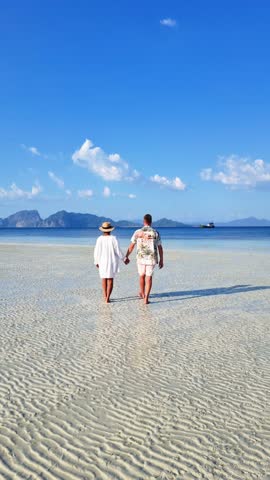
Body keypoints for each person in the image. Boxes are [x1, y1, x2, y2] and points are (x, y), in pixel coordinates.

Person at [124, 214, 164, 304]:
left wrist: (126, 256)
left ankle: (142, 293)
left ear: (144, 221)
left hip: (141, 258)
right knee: (148, 277)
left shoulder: (137, 232)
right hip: (151, 258)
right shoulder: (155, 232)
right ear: (151, 221)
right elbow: (160, 248)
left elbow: (131, 246)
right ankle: (146, 299)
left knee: (141, 275)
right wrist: (161, 260)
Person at [94, 221, 129, 303]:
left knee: (104, 279)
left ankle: (105, 295)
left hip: (102, 261)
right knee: (110, 279)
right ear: (110, 230)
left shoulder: (99, 239)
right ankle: (108, 298)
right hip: (111, 261)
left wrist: (96, 261)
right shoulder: (113, 238)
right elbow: (118, 250)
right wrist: (124, 259)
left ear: (102, 230)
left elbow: (96, 251)